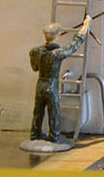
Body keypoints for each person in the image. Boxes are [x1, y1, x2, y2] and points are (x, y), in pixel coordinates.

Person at [28, 15, 92, 145]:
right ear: (57, 35)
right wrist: (86, 26)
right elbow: (75, 44)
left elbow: (35, 68)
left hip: (40, 85)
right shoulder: (57, 53)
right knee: (54, 111)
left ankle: (35, 135)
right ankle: (54, 136)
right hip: (52, 86)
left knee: (38, 111)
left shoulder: (35, 52)